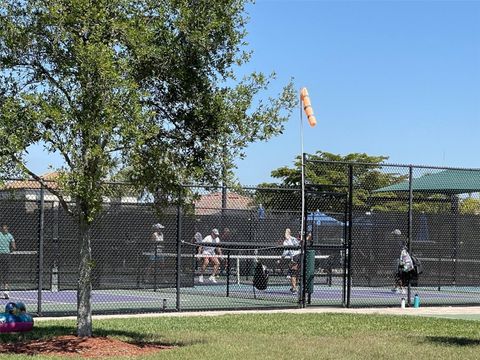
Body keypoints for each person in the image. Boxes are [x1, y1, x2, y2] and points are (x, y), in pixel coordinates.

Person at [391, 229, 414, 294]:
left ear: (396, 235)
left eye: (394, 234)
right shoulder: (401, 242)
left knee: (397, 274)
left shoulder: (397, 242)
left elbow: (396, 252)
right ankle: (396, 287)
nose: (393, 235)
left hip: (397, 259)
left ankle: (401, 288)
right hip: (400, 260)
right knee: (398, 273)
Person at [282, 228, 301, 294]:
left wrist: (282, 258)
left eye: (288, 232)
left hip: (296, 256)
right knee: (296, 272)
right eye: (286, 232)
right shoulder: (288, 240)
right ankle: (294, 287)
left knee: (294, 273)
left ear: (289, 233)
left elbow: (286, 251)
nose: (286, 233)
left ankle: (294, 288)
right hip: (299, 256)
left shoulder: (291, 240)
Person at [0, 224, 16, 299]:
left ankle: (6, 291)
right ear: (1, 228)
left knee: (5, 273)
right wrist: (13, 248)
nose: (5, 229)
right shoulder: (4, 235)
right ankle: (5, 290)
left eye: (6, 228)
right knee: (4, 273)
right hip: (3, 255)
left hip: (6, 255)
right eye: (4, 228)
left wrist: (13, 248)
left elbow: (13, 245)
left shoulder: (9, 235)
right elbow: (13, 245)